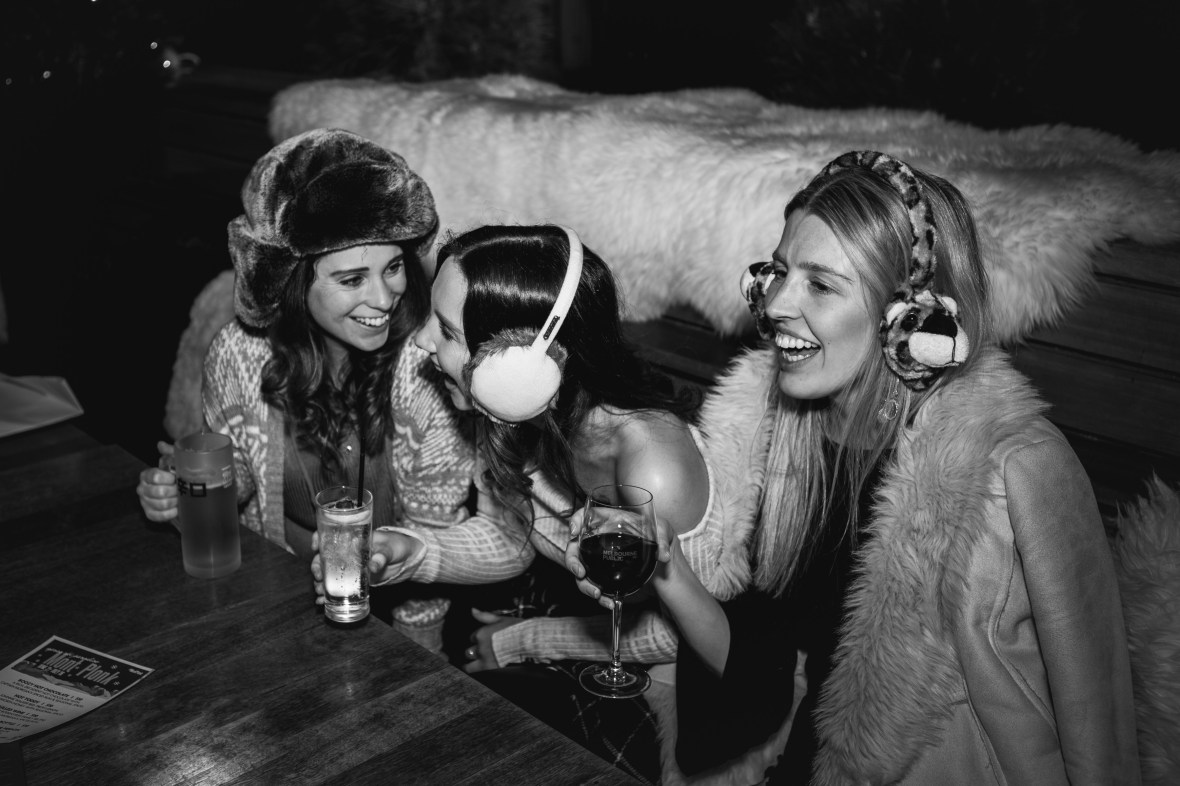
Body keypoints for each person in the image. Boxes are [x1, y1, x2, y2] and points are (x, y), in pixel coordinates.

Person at [568, 151, 1142, 783]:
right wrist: (666, 565)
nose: (775, 305)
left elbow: (1099, 715)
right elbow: (759, 670)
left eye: (820, 285)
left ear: (914, 320)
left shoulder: (1017, 468)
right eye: (779, 272)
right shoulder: (779, 437)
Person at [314, 224, 748, 783]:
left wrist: (524, 640)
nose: (421, 341)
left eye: (446, 330)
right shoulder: (512, 413)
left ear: (518, 363)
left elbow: (681, 634)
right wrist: (413, 552)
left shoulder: (652, 467)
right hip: (585, 633)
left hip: (669, 689)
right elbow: (509, 539)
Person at [135, 128, 487, 599]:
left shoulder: (427, 365)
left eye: (393, 267)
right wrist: (182, 492)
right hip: (267, 592)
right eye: (352, 279)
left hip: (389, 611)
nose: (384, 298)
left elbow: (433, 534)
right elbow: (236, 476)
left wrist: (405, 617)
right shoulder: (239, 353)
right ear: (295, 282)